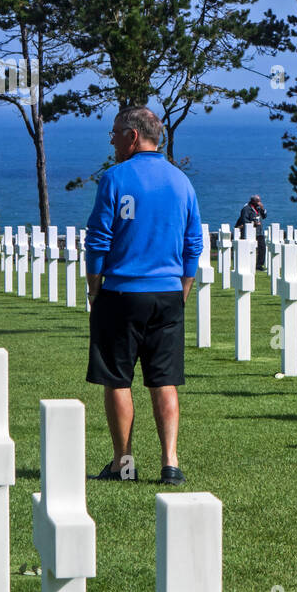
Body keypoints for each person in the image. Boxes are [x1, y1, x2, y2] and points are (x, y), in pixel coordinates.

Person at [85, 107, 202, 486]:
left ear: (134, 136)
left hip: (122, 292)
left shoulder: (115, 178)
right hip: (167, 293)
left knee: (117, 379)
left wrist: (94, 287)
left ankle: (124, 463)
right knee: (163, 378)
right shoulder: (181, 181)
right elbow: (193, 243)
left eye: (116, 131)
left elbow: (99, 240)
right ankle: (170, 462)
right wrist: (182, 288)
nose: (111, 138)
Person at [235, 194, 267, 270]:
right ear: (253, 201)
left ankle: (259, 265)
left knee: (262, 248)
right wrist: (254, 223)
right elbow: (244, 220)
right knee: (249, 249)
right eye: (258, 201)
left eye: (260, 201)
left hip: (259, 232)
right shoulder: (246, 209)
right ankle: (248, 264)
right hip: (249, 232)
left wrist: (262, 209)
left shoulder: (259, 208)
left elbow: (264, 216)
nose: (259, 203)